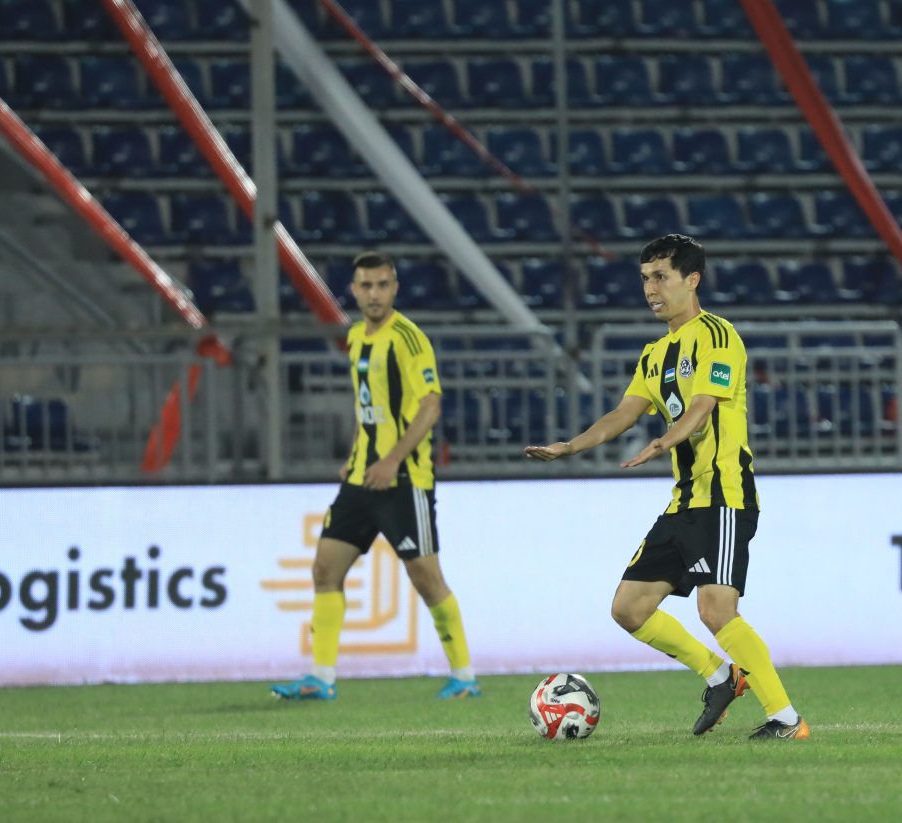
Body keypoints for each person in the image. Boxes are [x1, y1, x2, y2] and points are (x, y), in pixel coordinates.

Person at [525, 234, 808, 741]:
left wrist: (664, 441)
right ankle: (720, 676)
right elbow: (622, 413)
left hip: (724, 495)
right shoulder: (655, 354)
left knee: (715, 610)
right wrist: (570, 446)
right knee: (629, 608)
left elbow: (703, 406)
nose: (651, 289)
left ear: (691, 280)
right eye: (644, 279)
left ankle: (786, 720)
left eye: (661, 277)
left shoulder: (718, 336)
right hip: (684, 502)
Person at [271, 250, 480, 701]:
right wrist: (357, 454)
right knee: (325, 569)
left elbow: (430, 406)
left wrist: (391, 462)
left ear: (395, 287)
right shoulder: (355, 337)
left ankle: (464, 676)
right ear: (353, 290)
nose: (374, 294)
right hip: (361, 479)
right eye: (366, 286)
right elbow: (368, 406)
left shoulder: (408, 338)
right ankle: (321, 678)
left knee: (427, 578)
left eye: (382, 285)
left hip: (404, 481)